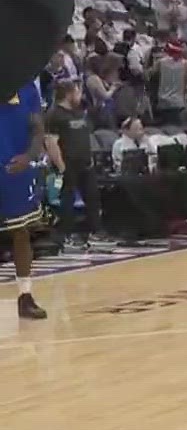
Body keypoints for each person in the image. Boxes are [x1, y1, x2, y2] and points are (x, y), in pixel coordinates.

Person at [2, 79, 49, 319]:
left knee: (21, 232)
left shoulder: (26, 86)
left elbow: (38, 127)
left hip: (15, 168)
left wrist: (29, 155)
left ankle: (25, 295)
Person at [46, 79, 101, 247]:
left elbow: (84, 136)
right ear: (69, 94)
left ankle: (93, 233)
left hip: (85, 163)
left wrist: (90, 157)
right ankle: (66, 236)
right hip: (67, 164)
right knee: (67, 201)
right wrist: (61, 166)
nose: (80, 95)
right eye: (77, 92)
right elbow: (50, 142)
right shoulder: (54, 114)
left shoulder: (79, 112)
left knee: (92, 198)